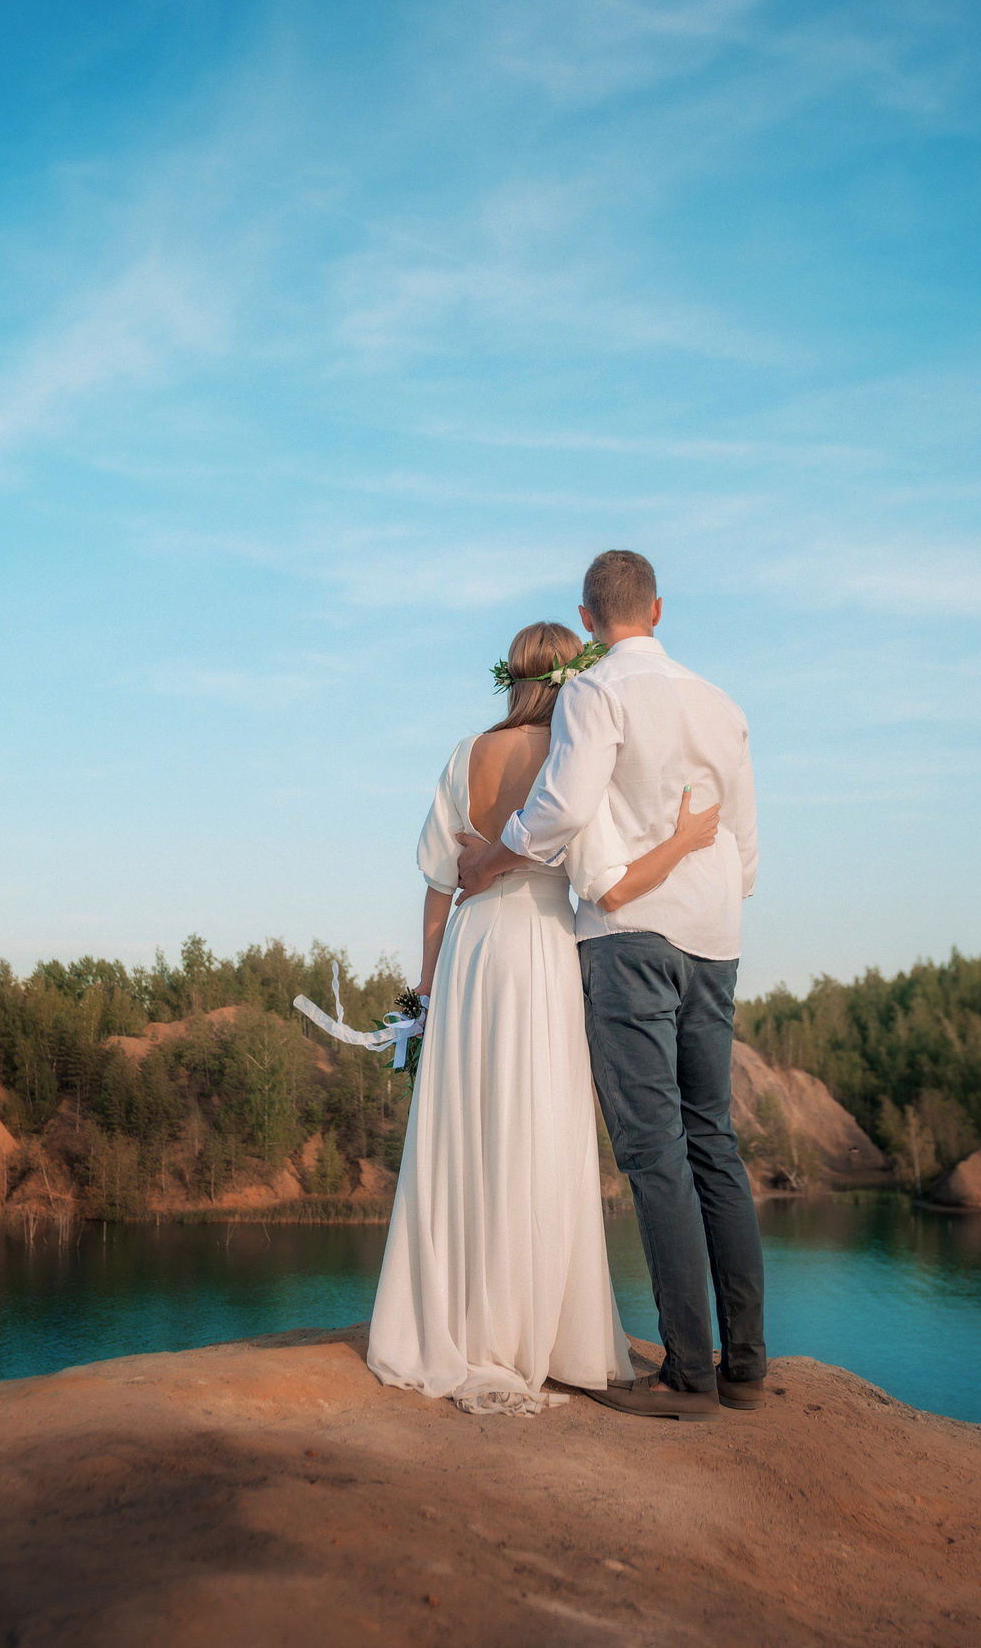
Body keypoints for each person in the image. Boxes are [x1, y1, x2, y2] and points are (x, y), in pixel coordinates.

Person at [363, 619, 727, 1416]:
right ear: (576, 677)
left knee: (468, 1125)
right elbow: (598, 869)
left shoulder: (465, 754)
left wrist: (426, 989)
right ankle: (539, 1327)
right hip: (544, 948)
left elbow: (436, 880)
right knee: (538, 1125)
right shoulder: (572, 756)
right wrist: (679, 841)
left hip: (472, 951)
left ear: (512, 678)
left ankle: (461, 1320)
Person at [457, 550, 765, 1419]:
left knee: (654, 1151)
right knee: (715, 1139)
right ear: (659, 609)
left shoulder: (597, 692)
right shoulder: (724, 704)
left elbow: (561, 807)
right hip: (715, 939)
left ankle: (689, 1373)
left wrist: (494, 853)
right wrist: (712, 904)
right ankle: (746, 1366)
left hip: (630, 939)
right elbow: (743, 845)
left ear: (589, 621)